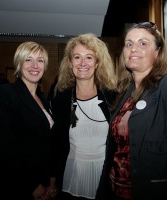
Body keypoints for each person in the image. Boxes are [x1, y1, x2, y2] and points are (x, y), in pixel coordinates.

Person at [96, 22, 167, 200]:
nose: (133, 49)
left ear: (158, 52)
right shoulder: (123, 94)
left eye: (143, 43)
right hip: (115, 191)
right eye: (129, 44)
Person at [50, 33, 117, 200]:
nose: (82, 63)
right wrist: (51, 179)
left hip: (106, 176)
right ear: (70, 62)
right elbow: (56, 143)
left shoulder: (112, 96)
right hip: (72, 174)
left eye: (89, 57)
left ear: (97, 63)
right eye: (77, 57)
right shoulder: (61, 97)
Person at [0, 41, 56, 200]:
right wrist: (31, 185)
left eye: (40, 60)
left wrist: (50, 179)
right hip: (13, 185)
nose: (35, 65)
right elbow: (1, 147)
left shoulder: (43, 100)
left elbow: (46, 144)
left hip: (41, 183)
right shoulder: (5, 93)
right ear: (19, 63)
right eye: (28, 59)